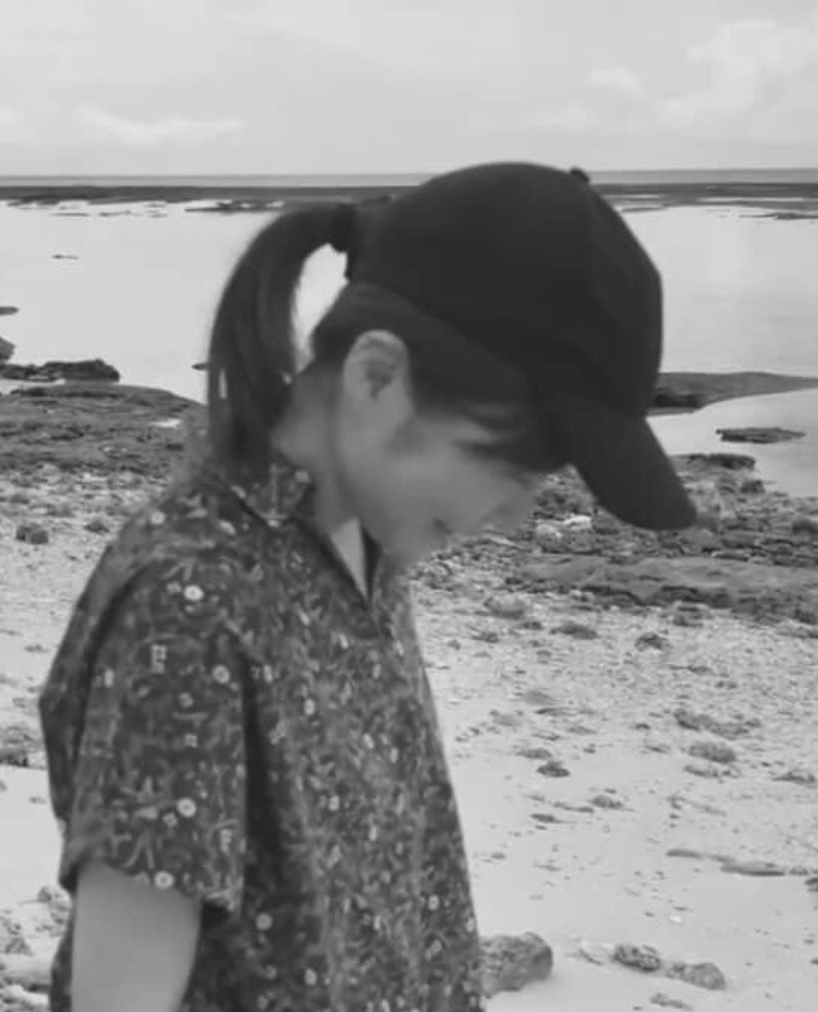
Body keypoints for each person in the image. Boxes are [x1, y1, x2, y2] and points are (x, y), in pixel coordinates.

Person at [38, 161, 696, 1012]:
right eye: (510, 470)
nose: (515, 518)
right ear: (378, 378)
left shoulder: (363, 541)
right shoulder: (188, 606)